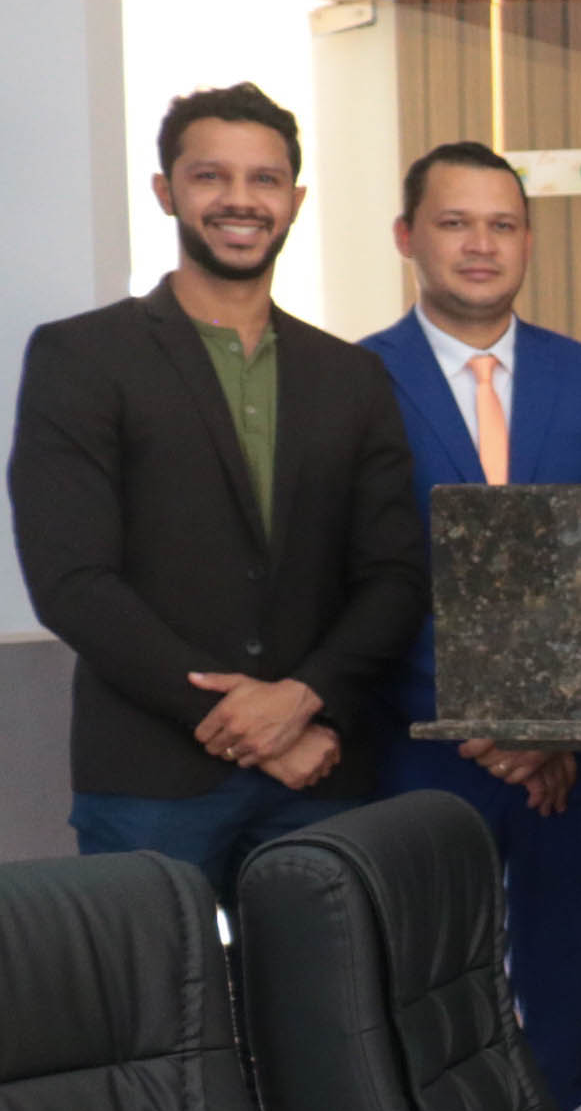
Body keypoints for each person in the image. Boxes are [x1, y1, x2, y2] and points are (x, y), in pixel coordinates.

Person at [9, 83, 423, 879]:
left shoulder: (352, 376)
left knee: (328, 971)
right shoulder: (81, 357)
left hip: (323, 772)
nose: (241, 200)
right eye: (210, 176)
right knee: (155, 968)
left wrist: (305, 698)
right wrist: (250, 726)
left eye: (265, 179)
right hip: (150, 778)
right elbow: (72, 581)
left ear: (295, 201)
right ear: (166, 191)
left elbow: (394, 576)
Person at [367, 141, 581, 1109]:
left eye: (502, 224)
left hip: (568, 768)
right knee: (423, 1023)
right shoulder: (352, 377)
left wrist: (553, 728)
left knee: (568, 1017)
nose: (481, 245)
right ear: (407, 237)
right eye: (455, 223)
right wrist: (487, 723)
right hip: (415, 757)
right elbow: (358, 577)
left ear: (528, 239)